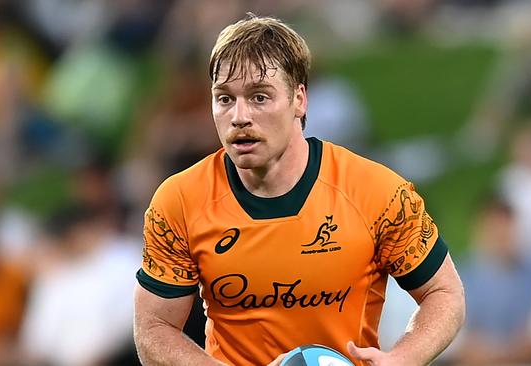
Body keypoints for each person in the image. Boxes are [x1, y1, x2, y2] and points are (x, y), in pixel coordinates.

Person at [133, 14, 465, 366]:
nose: (239, 116)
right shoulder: (180, 201)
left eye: (259, 97)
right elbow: (153, 326)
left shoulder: (376, 192)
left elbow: (444, 292)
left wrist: (403, 357)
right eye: (225, 99)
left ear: (299, 100)